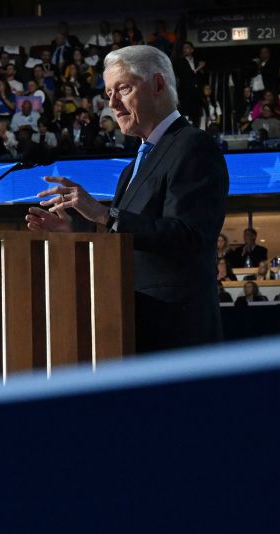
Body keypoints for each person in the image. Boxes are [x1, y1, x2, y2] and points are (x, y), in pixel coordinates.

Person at [25, 45, 229, 351]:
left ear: (158, 85)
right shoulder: (132, 168)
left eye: (123, 88)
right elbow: (122, 247)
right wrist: (72, 236)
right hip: (130, 329)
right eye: (108, 93)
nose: (112, 103)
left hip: (177, 335)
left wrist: (105, 215)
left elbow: (189, 236)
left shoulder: (193, 146)